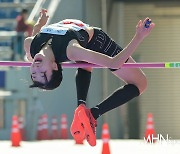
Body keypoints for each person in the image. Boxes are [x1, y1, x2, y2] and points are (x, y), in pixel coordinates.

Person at [24, 9, 155, 146]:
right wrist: (139, 37)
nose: (37, 69)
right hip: (97, 42)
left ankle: (81, 106)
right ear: (55, 66)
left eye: (34, 73)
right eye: (43, 73)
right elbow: (114, 62)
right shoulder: (72, 50)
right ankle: (93, 113)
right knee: (141, 83)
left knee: (84, 63)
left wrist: (40, 23)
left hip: (80, 44)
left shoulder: (30, 47)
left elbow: (36, 35)